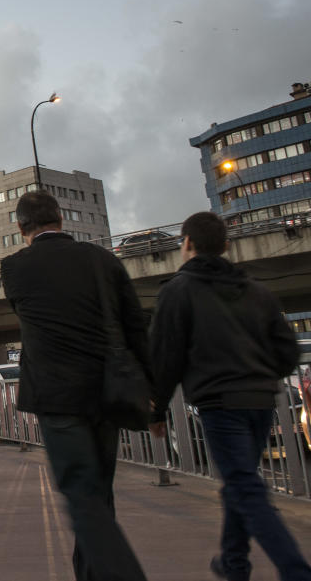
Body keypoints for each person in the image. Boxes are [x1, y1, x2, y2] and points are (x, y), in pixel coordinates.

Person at [148, 212, 311, 581]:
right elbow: (287, 352)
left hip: (220, 405)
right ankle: (234, 562)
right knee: (241, 482)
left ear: (186, 244)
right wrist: (259, 372)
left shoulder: (177, 291)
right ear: (226, 246)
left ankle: (296, 571)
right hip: (262, 401)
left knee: (244, 486)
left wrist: (156, 408)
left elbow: (165, 357)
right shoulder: (258, 291)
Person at [1, 190, 149, 581]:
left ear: (20, 228)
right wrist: (158, 400)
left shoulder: (14, 269)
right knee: (99, 495)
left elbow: (26, 311)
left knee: (82, 496)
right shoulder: (104, 260)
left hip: (57, 398)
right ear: (62, 219)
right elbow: (137, 329)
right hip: (108, 395)